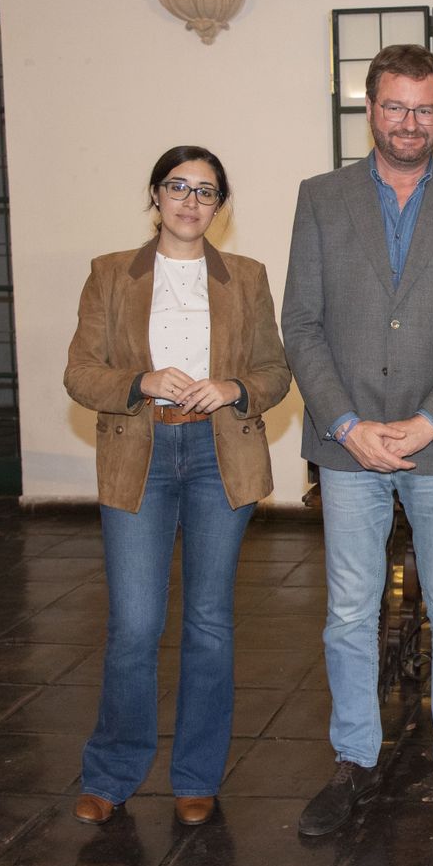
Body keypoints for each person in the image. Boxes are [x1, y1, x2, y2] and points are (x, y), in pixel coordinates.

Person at [282, 44, 433, 837]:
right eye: (394, 106)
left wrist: (427, 421)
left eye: (424, 109)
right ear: (370, 109)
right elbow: (301, 325)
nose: (409, 122)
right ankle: (354, 761)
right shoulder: (320, 198)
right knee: (349, 610)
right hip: (347, 444)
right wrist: (347, 424)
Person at [64, 145, 292, 828]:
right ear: (156, 195)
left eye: (206, 192)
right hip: (142, 451)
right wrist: (141, 381)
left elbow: (276, 373)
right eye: (179, 187)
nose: (191, 202)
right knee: (135, 626)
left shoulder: (246, 278)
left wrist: (235, 387)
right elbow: (80, 374)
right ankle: (112, 773)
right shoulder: (111, 274)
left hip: (219, 452)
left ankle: (196, 776)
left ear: (220, 208)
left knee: (209, 625)